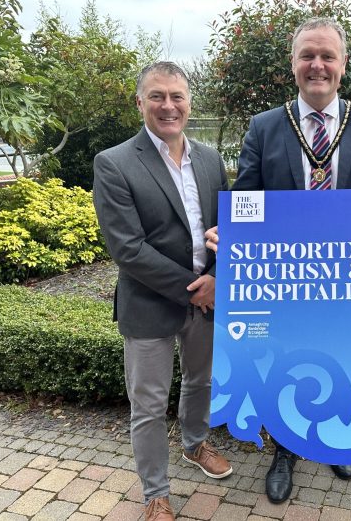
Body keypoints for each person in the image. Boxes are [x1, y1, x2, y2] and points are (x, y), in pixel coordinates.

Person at [205, 17, 351, 504]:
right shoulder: (263, 126)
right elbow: (248, 197)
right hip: (287, 275)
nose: (317, 65)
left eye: (327, 56)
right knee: (286, 357)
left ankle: (339, 442)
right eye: (307, 56)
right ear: (293, 64)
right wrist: (231, 236)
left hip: (349, 276)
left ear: (343, 65)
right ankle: (285, 449)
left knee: (343, 350)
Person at [93, 62, 232, 521]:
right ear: (140, 102)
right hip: (152, 302)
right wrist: (194, 290)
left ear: (190, 102)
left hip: (208, 297)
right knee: (149, 405)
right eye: (157, 96)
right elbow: (127, 249)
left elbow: (227, 227)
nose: (168, 106)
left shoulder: (210, 159)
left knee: (201, 381)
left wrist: (217, 276)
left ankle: (195, 444)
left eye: (177, 96)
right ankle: (156, 492)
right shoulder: (114, 163)